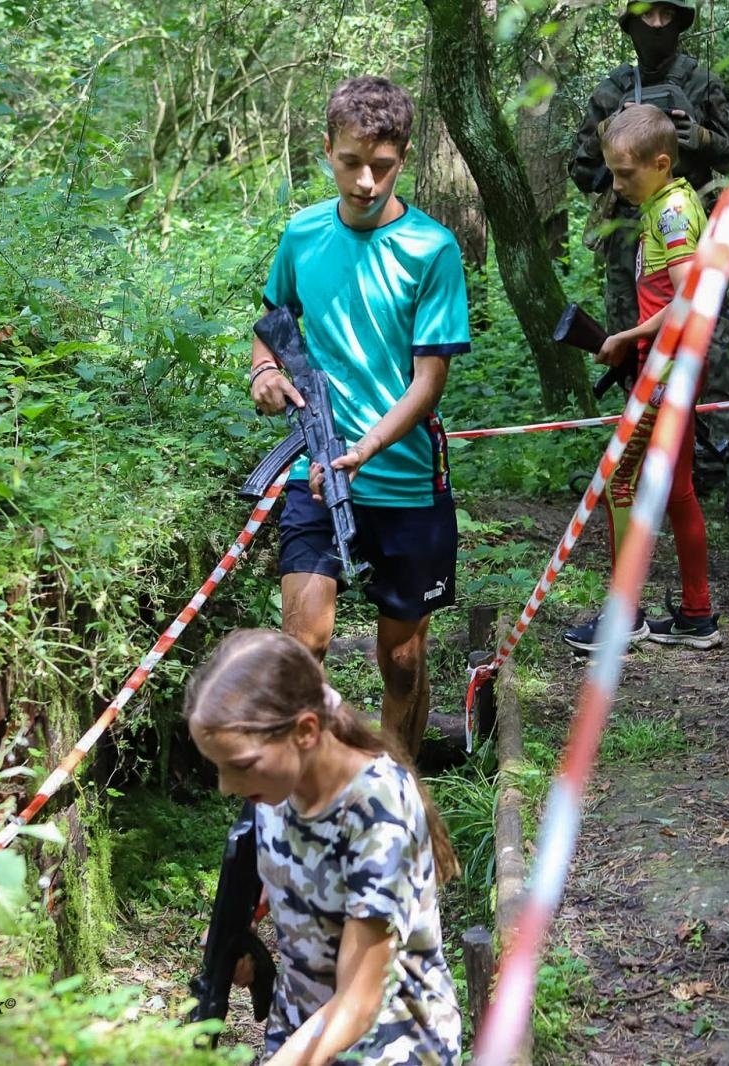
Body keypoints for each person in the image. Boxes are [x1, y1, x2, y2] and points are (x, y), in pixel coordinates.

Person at [250, 76, 470, 761]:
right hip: (316, 471)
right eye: (351, 163)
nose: (366, 181)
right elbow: (271, 323)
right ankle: (306, 798)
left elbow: (428, 382)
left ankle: (401, 791)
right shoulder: (302, 233)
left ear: (404, 156)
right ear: (327, 151)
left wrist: (367, 447)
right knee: (303, 644)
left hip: (403, 480)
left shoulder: (432, 250)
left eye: (383, 166)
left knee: (401, 661)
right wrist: (264, 371)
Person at [185, 628, 463, 1065]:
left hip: (389, 1048)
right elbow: (282, 876)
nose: (226, 787)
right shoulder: (277, 786)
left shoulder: (378, 811)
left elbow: (358, 1002)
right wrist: (239, 939)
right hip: (301, 1035)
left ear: (306, 731)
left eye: (239, 766)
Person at [568, 0, 729, 522]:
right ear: (632, 25)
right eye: (648, 17)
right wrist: (612, 141)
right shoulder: (611, 91)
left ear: (680, 22)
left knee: (709, 353)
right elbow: (581, 169)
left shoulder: (702, 82)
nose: (657, 27)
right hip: (628, 246)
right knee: (635, 357)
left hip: (690, 235)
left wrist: (704, 139)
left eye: (667, 16)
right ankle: (653, 473)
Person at [563, 105, 722, 653]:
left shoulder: (671, 213)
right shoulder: (665, 203)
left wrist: (629, 338)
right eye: (611, 170)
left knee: (618, 485)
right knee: (678, 492)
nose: (616, 182)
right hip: (670, 366)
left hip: (668, 371)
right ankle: (697, 615)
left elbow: (688, 298)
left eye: (626, 172)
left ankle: (624, 615)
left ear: (660, 162)